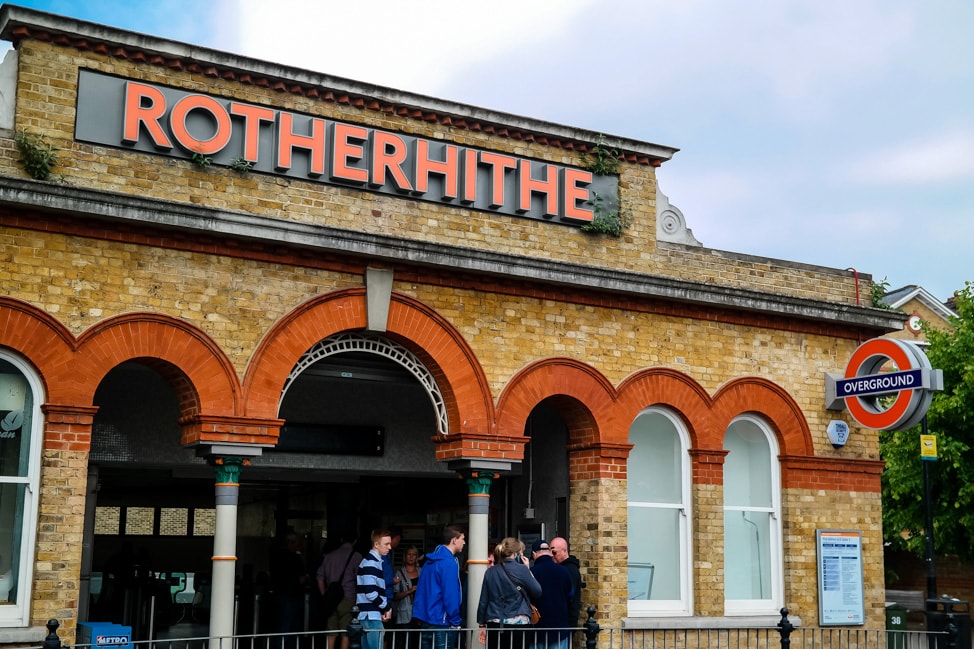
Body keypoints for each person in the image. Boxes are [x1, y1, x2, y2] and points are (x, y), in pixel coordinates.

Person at [476, 537, 542, 649]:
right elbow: (537, 591)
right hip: (519, 622)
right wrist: (528, 570)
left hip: (495, 622)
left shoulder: (490, 572)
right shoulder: (522, 569)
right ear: (516, 553)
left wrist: (482, 624)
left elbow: (484, 600)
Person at [413, 525, 466, 649]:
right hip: (442, 621)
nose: (464, 542)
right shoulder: (448, 562)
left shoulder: (429, 561)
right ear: (454, 540)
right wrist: (455, 620)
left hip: (425, 619)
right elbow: (450, 594)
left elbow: (421, 589)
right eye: (462, 538)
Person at [317, 532, 362, 649]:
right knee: (346, 633)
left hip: (331, 599)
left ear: (342, 540)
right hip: (348, 597)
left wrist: (325, 595)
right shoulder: (356, 556)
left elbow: (320, 578)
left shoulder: (329, 556)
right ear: (355, 541)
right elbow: (360, 579)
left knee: (331, 633)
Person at [528, 540, 573, 649]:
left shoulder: (532, 572)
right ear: (549, 552)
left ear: (534, 554)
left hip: (537, 628)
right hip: (560, 628)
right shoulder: (564, 571)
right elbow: (571, 594)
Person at [271, 533, 310, 649]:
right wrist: (306, 578)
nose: (300, 546)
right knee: (288, 629)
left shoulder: (279, 557)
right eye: (298, 543)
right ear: (292, 543)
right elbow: (298, 579)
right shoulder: (292, 558)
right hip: (290, 597)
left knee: (288, 629)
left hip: (287, 596)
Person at [358, 530, 394, 649]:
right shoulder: (371, 563)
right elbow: (371, 593)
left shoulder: (370, 562)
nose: (390, 547)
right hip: (371, 615)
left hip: (368, 614)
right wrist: (386, 607)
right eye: (386, 544)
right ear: (376, 544)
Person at [392, 545, 422, 648]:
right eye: (409, 554)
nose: (411, 557)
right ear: (405, 556)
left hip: (420, 613)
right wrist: (409, 591)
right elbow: (395, 596)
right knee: (405, 643)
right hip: (405, 614)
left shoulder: (421, 571)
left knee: (418, 642)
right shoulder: (399, 573)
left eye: (414, 555)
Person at [549, 538, 583, 625]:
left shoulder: (570, 570)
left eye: (554, 552)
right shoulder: (563, 568)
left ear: (564, 550)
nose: (552, 556)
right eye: (550, 552)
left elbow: (568, 595)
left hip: (565, 621)